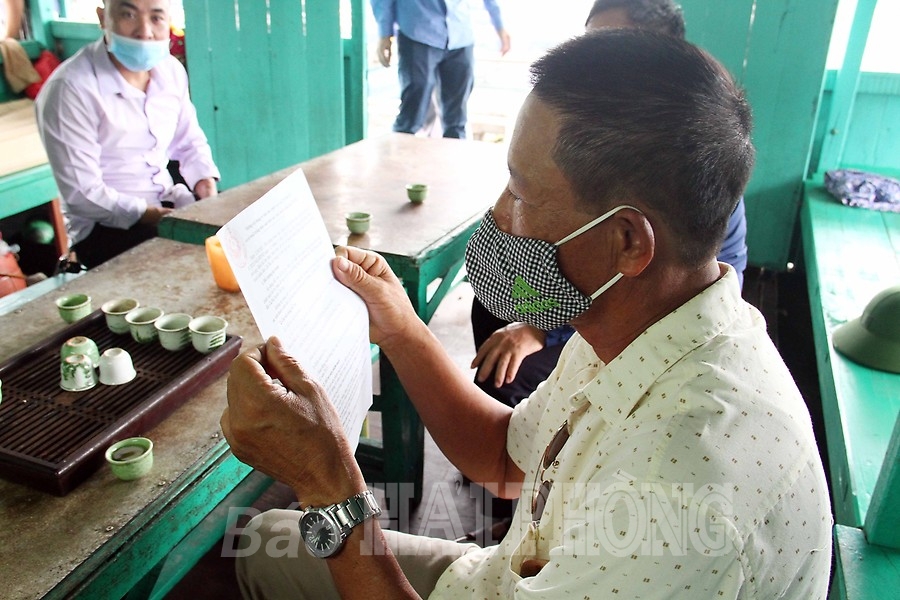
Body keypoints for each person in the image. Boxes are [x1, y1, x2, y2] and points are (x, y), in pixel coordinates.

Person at [222, 31, 832, 599]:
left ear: (626, 241)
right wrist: (401, 329)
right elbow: (503, 458)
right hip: (509, 574)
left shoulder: (685, 496)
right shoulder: (637, 327)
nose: (499, 214)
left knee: (274, 541)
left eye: (521, 193)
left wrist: (328, 481)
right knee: (265, 541)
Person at [471, 0, 749, 409]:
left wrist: (543, 331)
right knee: (492, 309)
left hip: (628, 316)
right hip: (605, 307)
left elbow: (673, 294)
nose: (593, 61)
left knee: (506, 374)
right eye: (591, 43)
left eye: (614, 46)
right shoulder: (587, 131)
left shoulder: (688, 160)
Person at [34, 0, 219, 268]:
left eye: (156, 17)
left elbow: (189, 142)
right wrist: (166, 218)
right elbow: (83, 195)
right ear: (103, 18)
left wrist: (207, 189)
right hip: (105, 226)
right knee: (194, 267)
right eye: (128, 14)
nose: (145, 31)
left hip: (165, 200)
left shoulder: (170, 70)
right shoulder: (70, 89)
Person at [370, 0, 511, 139]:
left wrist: (500, 26)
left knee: (457, 118)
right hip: (417, 30)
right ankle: (398, 151)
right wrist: (384, 33)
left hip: (460, 34)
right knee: (412, 111)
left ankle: (454, 152)